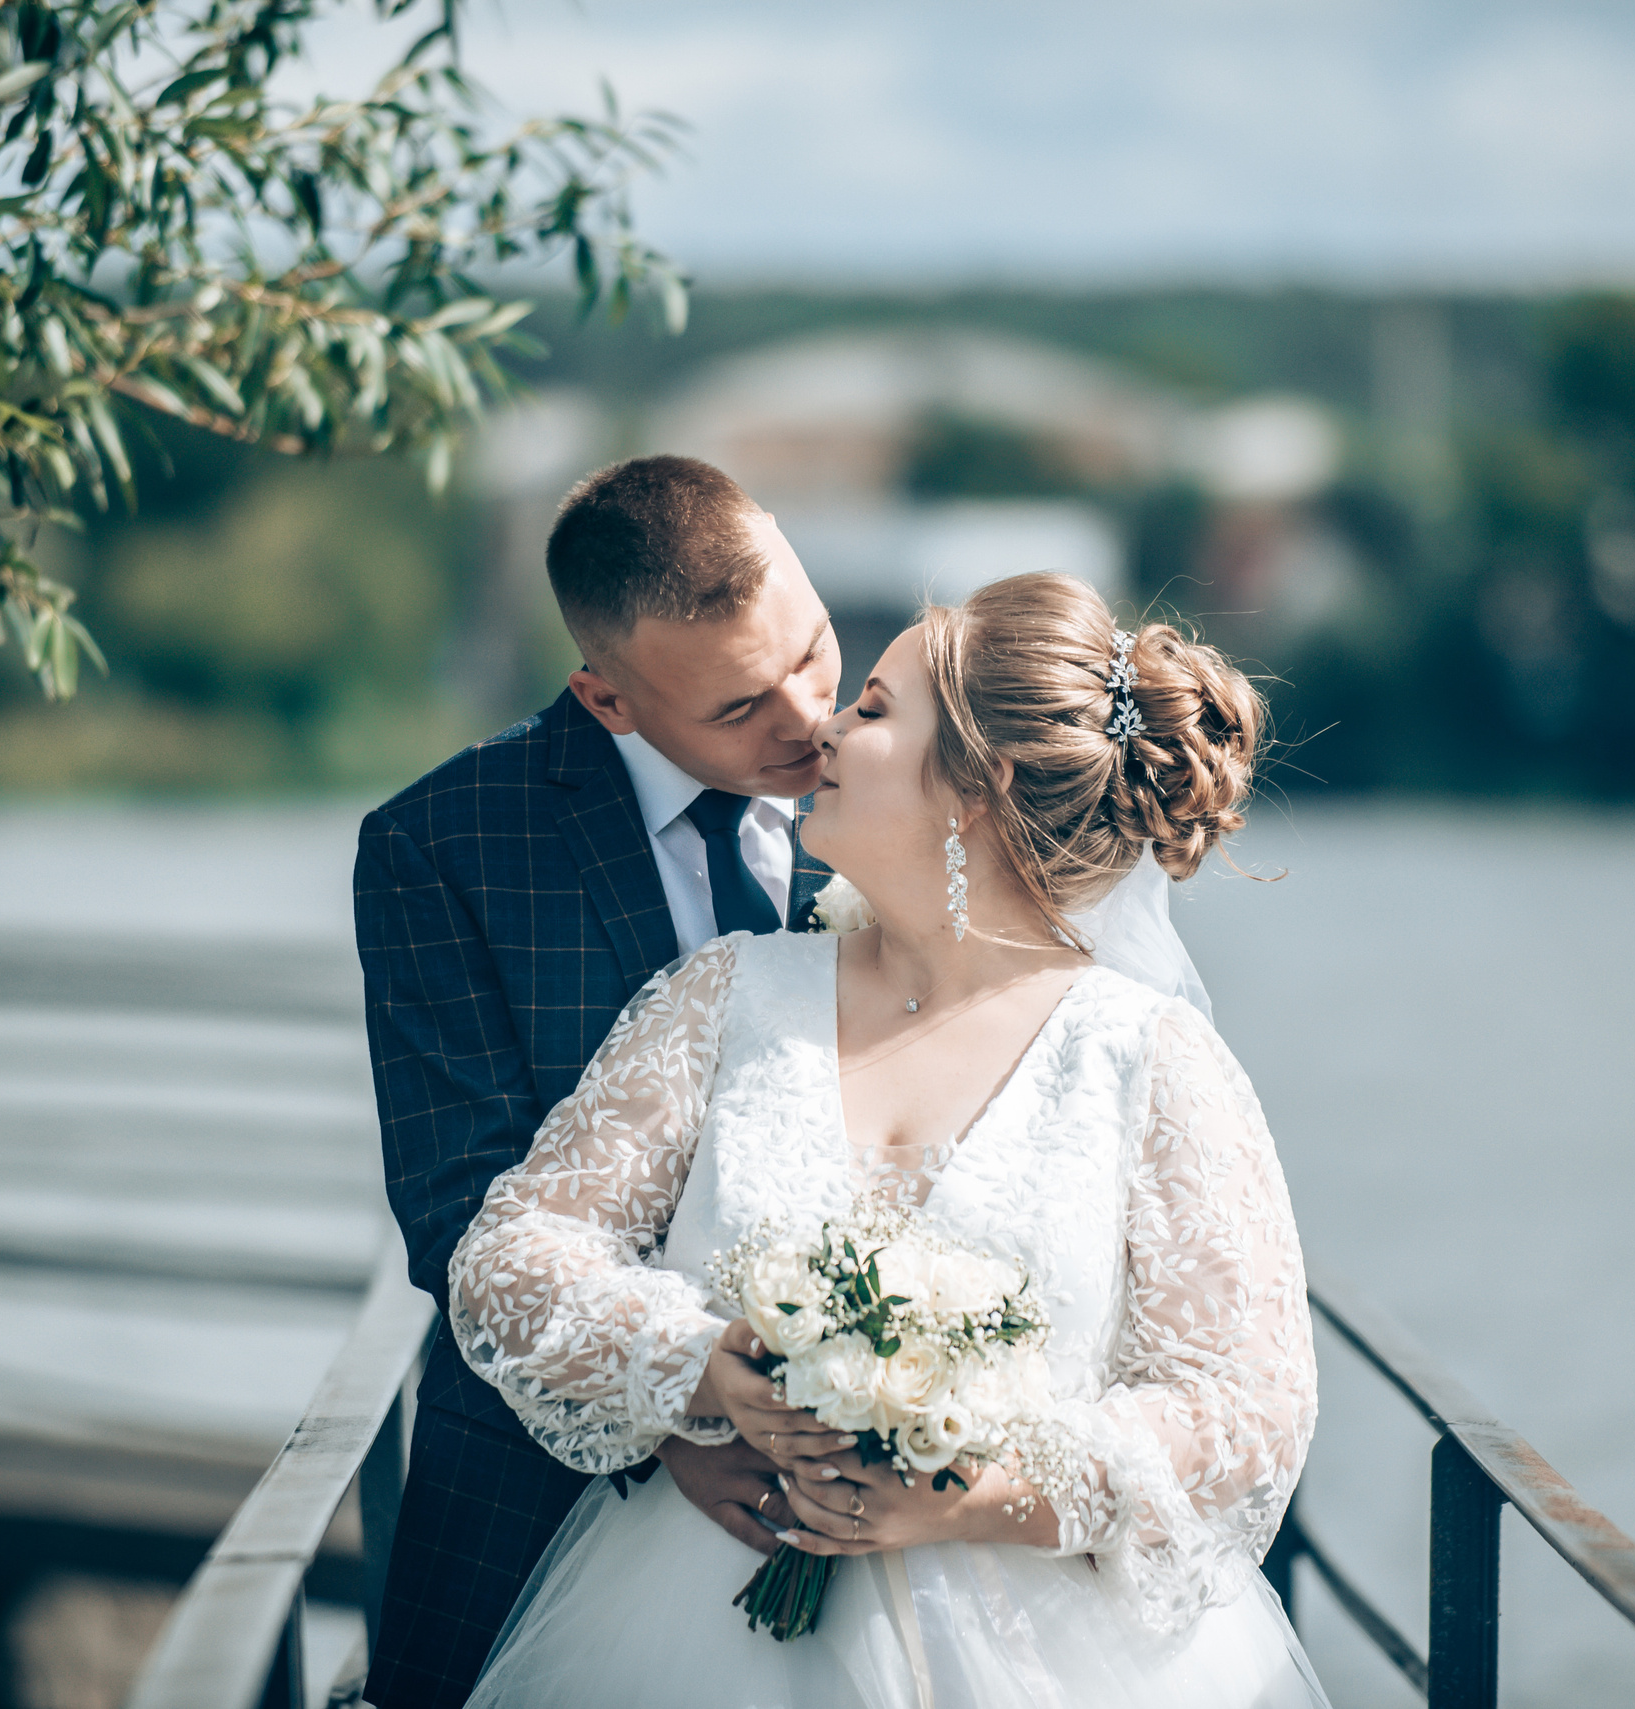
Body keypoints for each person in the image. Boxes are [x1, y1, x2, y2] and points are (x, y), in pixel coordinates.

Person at [448, 572, 1330, 1708]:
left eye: (869, 709)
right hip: (689, 1622)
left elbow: (1246, 1405)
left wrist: (978, 1488)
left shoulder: (1147, 1059)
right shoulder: (725, 996)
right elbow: (516, 1252)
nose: (821, 727)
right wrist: (702, 1361)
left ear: (977, 783)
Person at [356, 455, 844, 1708]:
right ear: (607, 697)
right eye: (740, 709)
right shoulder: (442, 847)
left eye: (812, 651)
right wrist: (670, 1404)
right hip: (538, 1490)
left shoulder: (905, 771)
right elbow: (458, 1204)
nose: (806, 720)